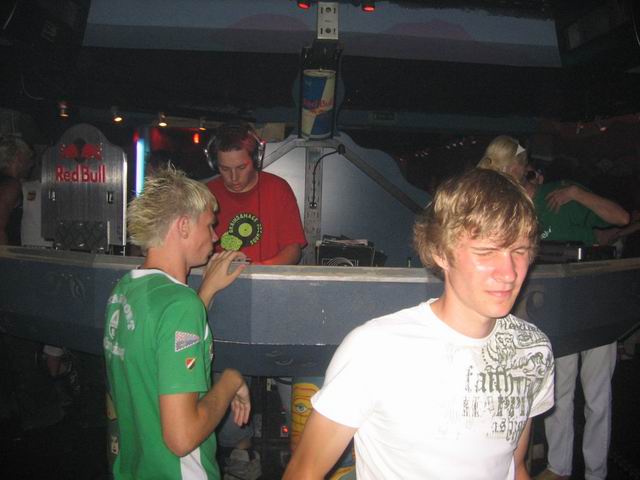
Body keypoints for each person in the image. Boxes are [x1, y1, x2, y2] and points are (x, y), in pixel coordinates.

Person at [284, 168, 555, 480]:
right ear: (441, 252)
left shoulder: (531, 348)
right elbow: (303, 472)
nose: (509, 273)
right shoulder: (376, 349)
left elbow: (515, 467)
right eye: (486, 252)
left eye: (519, 251)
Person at [480, 136, 630, 480]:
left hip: (596, 305)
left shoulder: (559, 194)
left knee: (597, 396)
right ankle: (559, 466)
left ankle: (595, 472)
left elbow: (620, 217)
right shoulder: (512, 209)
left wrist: (576, 193)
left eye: (515, 170)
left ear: (523, 169)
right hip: (558, 313)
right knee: (558, 393)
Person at [104, 167, 251, 479]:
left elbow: (160, 341)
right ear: (184, 226)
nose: (215, 236)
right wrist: (230, 381)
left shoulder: (125, 290)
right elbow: (182, 438)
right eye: (209, 225)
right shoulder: (180, 306)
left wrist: (205, 292)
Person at [205, 122, 307, 479]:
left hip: (276, 301)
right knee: (227, 374)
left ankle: (305, 450)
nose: (233, 178)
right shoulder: (206, 194)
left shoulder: (278, 189)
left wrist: (258, 271)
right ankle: (241, 451)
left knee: (294, 372)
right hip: (227, 304)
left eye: (241, 167)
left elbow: (293, 250)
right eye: (224, 169)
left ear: (257, 159)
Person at [0, 136, 34, 245]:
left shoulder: (8, 182)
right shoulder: (11, 186)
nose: (31, 164)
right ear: (19, 157)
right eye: (29, 158)